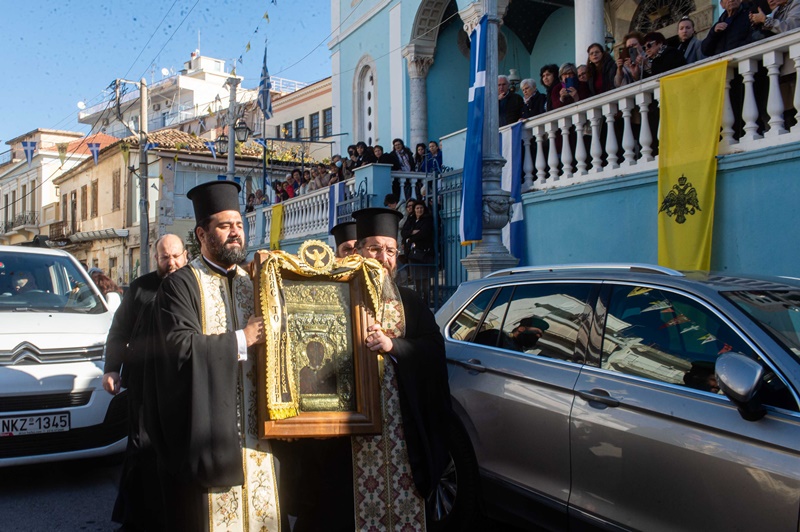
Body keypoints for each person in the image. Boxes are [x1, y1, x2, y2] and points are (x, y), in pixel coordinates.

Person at [142, 180, 280, 531]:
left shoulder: (255, 282)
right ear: (202, 235)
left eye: (239, 224)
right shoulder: (180, 286)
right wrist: (241, 339)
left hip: (258, 437)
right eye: (224, 226)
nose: (235, 233)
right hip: (209, 438)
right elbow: (178, 350)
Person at [351, 207, 451, 530]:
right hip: (351, 441)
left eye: (391, 250)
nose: (384, 258)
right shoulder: (340, 298)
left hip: (403, 441)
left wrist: (394, 347)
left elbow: (434, 351)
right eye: (375, 249)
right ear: (358, 251)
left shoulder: (410, 302)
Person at [103, 234, 187, 531]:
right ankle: (136, 520)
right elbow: (119, 331)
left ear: (186, 255)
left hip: (181, 387)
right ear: (156, 259)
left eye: (176, 255)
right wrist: (112, 369)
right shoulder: (140, 288)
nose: (172, 262)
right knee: (140, 450)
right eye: (165, 257)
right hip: (142, 384)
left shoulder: (196, 285)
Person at [404, 200, 435, 302]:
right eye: (417, 208)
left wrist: (410, 238)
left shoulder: (427, 220)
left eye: (421, 208)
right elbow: (403, 232)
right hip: (413, 254)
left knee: (425, 279)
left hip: (423, 254)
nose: (419, 210)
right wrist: (412, 232)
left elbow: (424, 233)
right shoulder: (411, 219)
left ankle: (426, 300)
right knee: (416, 280)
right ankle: (419, 301)